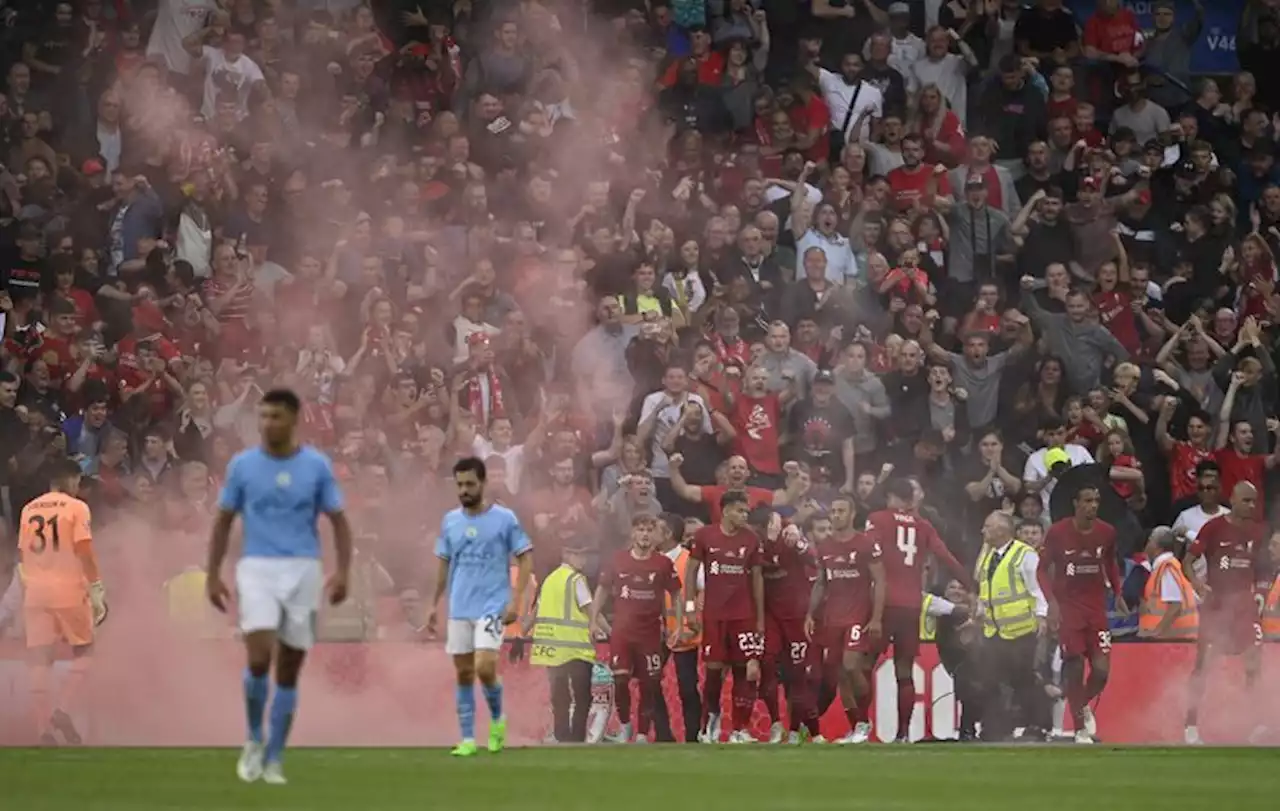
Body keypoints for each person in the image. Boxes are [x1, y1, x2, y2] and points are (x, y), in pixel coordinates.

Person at [207, 388, 352, 784]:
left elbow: (339, 521)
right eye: (264, 416)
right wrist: (212, 574)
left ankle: (274, 758)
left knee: (288, 669)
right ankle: (254, 738)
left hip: (304, 569)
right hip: (256, 568)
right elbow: (223, 521)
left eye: (275, 416)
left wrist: (343, 573)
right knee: (258, 656)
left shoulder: (316, 467)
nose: (268, 423)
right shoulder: (243, 466)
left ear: (293, 419)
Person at [427, 456, 533, 757]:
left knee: (484, 667)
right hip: (460, 606)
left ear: (483, 484)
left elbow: (525, 556)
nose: (464, 490)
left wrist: (516, 598)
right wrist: (433, 603)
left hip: (492, 604)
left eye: (470, 484)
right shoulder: (450, 521)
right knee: (462, 673)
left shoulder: (505, 518)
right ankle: (468, 740)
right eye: (459, 484)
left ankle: (498, 719)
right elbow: (444, 563)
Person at [863, 478, 970, 742]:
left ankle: (860, 726)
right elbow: (946, 557)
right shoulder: (924, 527)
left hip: (884, 603)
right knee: (904, 671)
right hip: (912, 606)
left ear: (889, 496)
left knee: (863, 666)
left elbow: (867, 551)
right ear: (910, 500)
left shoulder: (877, 519)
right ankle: (902, 735)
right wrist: (971, 585)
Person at [18, 458, 106, 745]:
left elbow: (23, 554)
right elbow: (83, 549)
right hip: (68, 589)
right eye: (78, 481)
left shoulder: (28, 509)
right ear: (69, 480)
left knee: (41, 660)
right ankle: (62, 710)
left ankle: (43, 730)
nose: (78, 487)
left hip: (35, 593)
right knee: (85, 652)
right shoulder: (76, 507)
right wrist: (96, 586)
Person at [1037, 485, 1126, 744]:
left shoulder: (1106, 532)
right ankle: (1079, 728)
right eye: (1087, 500)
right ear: (1076, 503)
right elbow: (1042, 570)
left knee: (1101, 671)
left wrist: (1118, 592)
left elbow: (1110, 561)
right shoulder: (1058, 532)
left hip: (1096, 609)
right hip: (1069, 610)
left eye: (1096, 500)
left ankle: (1082, 705)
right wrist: (1052, 602)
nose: (1093, 505)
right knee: (1073, 665)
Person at [1181, 481, 1267, 745]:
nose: (1251, 506)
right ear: (1233, 499)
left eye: (1254, 501)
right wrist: (1197, 584)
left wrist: (1261, 592)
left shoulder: (1258, 531)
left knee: (1254, 662)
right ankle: (1191, 725)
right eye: (1246, 501)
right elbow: (1187, 561)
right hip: (1217, 606)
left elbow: (1262, 567)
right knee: (1204, 666)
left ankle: (1254, 725)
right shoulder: (1214, 527)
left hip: (1244, 608)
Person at [591, 513, 681, 744]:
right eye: (641, 529)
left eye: (650, 530)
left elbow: (676, 594)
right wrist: (593, 619)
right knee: (620, 680)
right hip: (622, 632)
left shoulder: (662, 563)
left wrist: (678, 625)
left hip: (650, 634)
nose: (645, 534)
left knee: (649, 684)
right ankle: (625, 726)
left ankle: (642, 733)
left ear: (656, 535)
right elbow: (602, 589)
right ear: (633, 533)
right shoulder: (618, 560)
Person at [684, 489, 765, 743]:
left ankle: (740, 729)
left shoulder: (751, 539)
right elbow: (690, 571)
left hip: (743, 615)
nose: (744, 515)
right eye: (740, 510)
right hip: (714, 615)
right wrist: (689, 609)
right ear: (726, 510)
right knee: (714, 671)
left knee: (745, 671)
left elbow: (757, 579)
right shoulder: (705, 536)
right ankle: (711, 721)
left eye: (746, 511)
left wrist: (759, 618)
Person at [806, 494, 885, 743]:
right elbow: (821, 582)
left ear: (852, 515)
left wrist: (876, 618)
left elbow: (880, 580)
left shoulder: (865, 543)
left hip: (858, 616)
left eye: (841, 511)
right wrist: (810, 613)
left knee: (852, 665)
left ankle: (864, 722)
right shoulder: (825, 546)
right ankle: (856, 727)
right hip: (832, 618)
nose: (836, 515)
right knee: (840, 674)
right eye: (834, 511)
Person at [973, 510, 1049, 742]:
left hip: (1022, 628)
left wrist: (1042, 616)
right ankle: (996, 726)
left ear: (1002, 530)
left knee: (1023, 678)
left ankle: (1037, 725)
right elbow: (983, 588)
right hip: (994, 629)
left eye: (987, 526)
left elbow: (1037, 587)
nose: (983, 530)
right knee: (991, 679)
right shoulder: (988, 556)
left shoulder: (1024, 555)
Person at [757, 506, 819, 744]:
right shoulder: (755, 543)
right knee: (767, 664)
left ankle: (794, 730)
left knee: (798, 674)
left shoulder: (791, 539)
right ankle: (775, 723)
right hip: (770, 615)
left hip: (796, 616)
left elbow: (813, 559)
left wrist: (797, 537)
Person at [529, 543, 595, 743]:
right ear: (567, 555)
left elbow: (536, 611)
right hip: (576, 649)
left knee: (560, 696)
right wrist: (606, 630)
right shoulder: (576, 579)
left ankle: (561, 735)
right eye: (580, 555)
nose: (584, 560)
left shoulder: (550, 580)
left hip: (552, 649)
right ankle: (576, 738)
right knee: (582, 697)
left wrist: (521, 633)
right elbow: (590, 608)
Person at [1137, 526, 1199, 641]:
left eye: (1150, 540)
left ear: (1158, 547)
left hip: (1171, 640)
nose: (1147, 544)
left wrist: (1156, 632)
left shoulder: (1166, 568)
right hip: (1172, 639)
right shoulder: (1166, 566)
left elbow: (1175, 606)